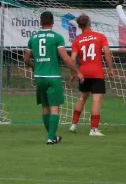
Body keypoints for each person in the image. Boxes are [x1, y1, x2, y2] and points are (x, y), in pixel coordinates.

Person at [24, 11, 84, 145]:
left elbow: (26, 58)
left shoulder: (33, 38)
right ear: (52, 22)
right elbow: (64, 57)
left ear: (40, 22)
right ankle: (51, 138)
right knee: (54, 107)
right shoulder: (57, 37)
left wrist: (34, 66)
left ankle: (53, 136)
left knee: (45, 107)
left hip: (39, 77)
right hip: (53, 76)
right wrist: (77, 71)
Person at [69, 14, 114, 136]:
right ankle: (94, 129)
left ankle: (74, 124)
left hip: (83, 73)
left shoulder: (77, 40)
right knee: (96, 100)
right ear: (89, 23)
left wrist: (74, 73)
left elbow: (72, 60)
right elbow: (107, 53)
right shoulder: (100, 37)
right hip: (96, 73)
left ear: (79, 26)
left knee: (82, 97)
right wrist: (111, 69)